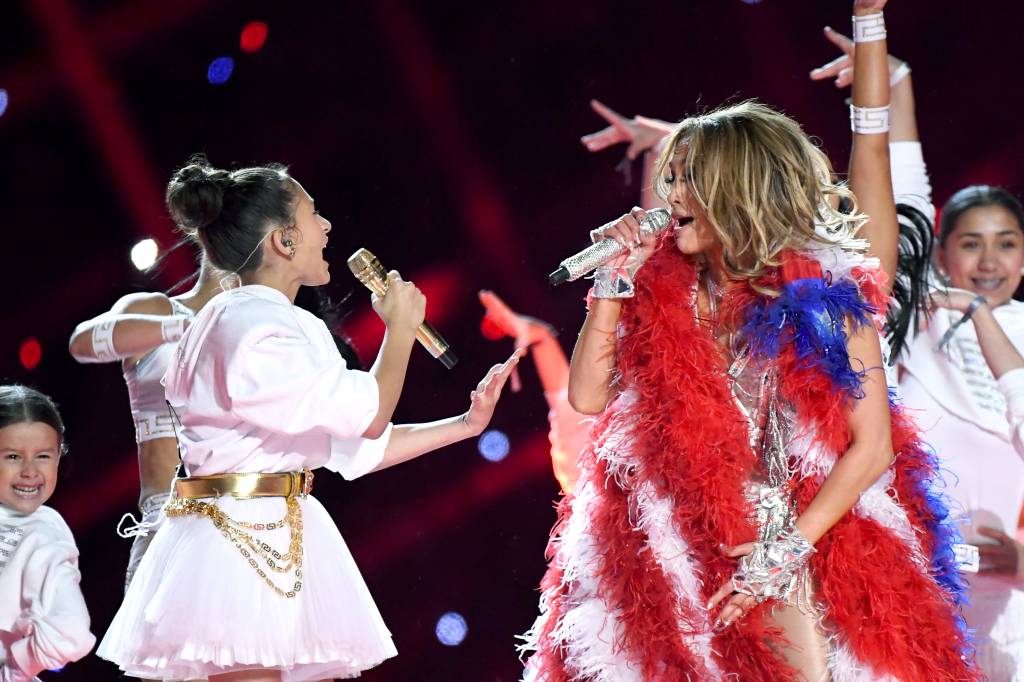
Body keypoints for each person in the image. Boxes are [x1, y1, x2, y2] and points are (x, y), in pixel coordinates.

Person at [520, 8, 976, 680]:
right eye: (671, 178)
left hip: (782, 545)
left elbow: (872, 445)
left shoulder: (824, 296)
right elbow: (588, 396)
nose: (669, 194)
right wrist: (611, 286)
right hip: (671, 543)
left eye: (685, 180)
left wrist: (781, 554)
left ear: (734, 193)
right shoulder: (658, 287)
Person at [96, 158, 520, 681]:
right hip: (236, 544)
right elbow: (368, 414)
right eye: (313, 214)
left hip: (268, 530)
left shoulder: (282, 322)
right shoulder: (247, 325)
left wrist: (465, 424)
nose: (326, 226)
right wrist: (400, 330)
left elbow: (356, 446)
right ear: (283, 240)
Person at [812, 24, 1024, 679]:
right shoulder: (918, 318)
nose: (989, 260)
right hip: (918, 600)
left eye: (1007, 243)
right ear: (940, 252)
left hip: (1012, 611)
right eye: (970, 243)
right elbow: (902, 190)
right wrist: (893, 84)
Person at [69, 238, 222, 589]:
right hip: (169, 530)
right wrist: (184, 326)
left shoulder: (271, 329)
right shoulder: (157, 310)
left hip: (258, 528)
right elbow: (82, 342)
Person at [0, 385, 95, 681]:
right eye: (13, 456)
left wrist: (14, 671)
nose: (30, 471)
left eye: (42, 456)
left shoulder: (39, 532)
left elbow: (70, 634)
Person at [478, 290, 587, 494]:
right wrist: (536, 336)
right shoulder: (583, 480)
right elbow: (567, 403)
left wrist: (537, 336)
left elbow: (566, 403)